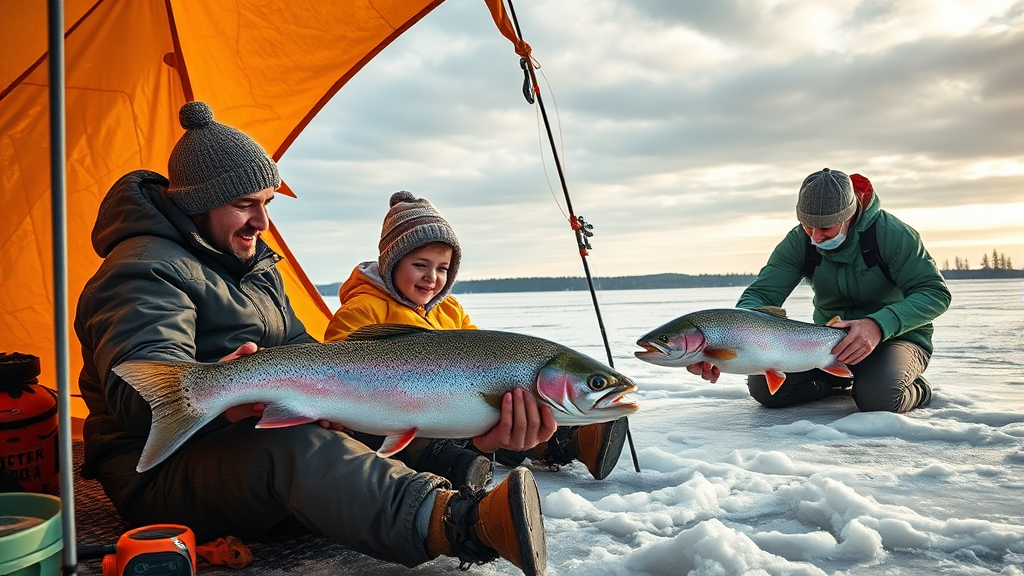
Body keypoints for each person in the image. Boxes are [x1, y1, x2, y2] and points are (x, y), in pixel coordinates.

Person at [75, 101, 548, 575]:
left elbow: (306, 352)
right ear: (197, 204)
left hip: (231, 445)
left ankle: (471, 450)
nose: (261, 223)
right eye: (245, 205)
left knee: (367, 395)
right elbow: (138, 395)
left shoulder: (254, 266)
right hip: (162, 474)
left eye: (266, 204)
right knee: (292, 446)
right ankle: (461, 524)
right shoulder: (143, 270)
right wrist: (227, 395)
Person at [324, 192, 631, 482]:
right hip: (402, 420)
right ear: (392, 263)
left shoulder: (451, 310)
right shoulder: (363, 308)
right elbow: (334, 362)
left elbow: (481, 350)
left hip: (463, 412)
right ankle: (464, 472)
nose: (432, 277)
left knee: (518, 409)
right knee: (442, 447)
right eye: (420, 265)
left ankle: (571, 438)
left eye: (442, 268)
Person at [689, 168, 951, 413]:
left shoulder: (893, 235)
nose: (815, 237)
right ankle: (839, 383)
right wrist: (729, 343)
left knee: (880, 398)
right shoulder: (799, 242)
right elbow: (762, 294)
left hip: (895, 337)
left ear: (848, 216)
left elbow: (935, 293)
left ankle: (914, 387)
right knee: (768, 392)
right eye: (807, 226)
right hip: (825, 345)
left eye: (825, 228)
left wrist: (877, 325)